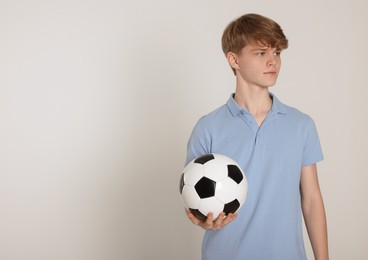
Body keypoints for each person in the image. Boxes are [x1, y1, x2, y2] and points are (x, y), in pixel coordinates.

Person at [184, 13, 329, 260]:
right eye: (261, 53)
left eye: (277, 53)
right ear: (234, 59)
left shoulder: (301, 125)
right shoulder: (207, 128)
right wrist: (205, 222)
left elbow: (312, 199)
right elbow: (194, 202)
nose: (272, 61)